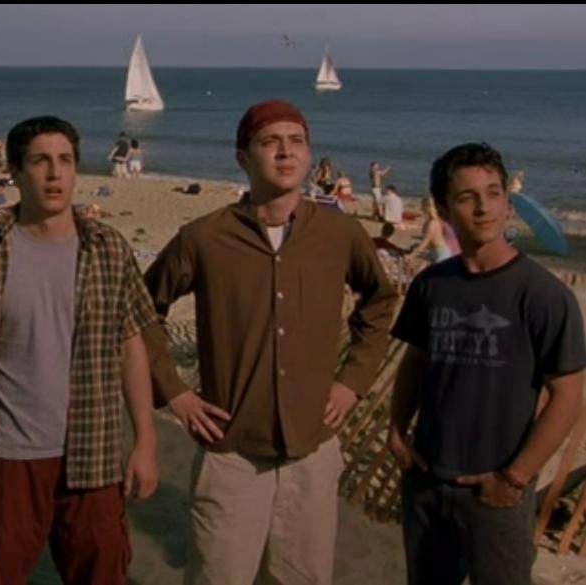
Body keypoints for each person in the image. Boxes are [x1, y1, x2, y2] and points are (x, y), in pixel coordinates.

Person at [142, 99, 397, 585]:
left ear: (310, 154)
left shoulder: (340, 232)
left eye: (296, 141)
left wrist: (352, 382)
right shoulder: (203, 238)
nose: (285, 152)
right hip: (231, 452)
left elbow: (380, 302)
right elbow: (139, 312)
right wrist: (174, 392)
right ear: (243, 157)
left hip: (313, 449)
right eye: (269, 142)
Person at [0, 115, 159, 584]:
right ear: (15, 172)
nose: (55, 174)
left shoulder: (109, 249)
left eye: (65, 161)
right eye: (40, 161)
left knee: (103, 572)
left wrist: (145, 442)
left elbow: (132, 347)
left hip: (94, 452)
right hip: (4, 456)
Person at [388, 142, 585, 585]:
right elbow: (415, 361)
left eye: (494, 193)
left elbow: (568, 396)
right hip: (427, 480)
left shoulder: (543, 295)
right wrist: (397, 431)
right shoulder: (432, 285)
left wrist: (514, 479)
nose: (484, 208)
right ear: (443, 209)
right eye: (467, 197)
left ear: (508, 202)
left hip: (495, 490)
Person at [409, 197, 455, 263]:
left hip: (441, 253)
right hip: (435, 252)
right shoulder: (430, 221)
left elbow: (426, 241)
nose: (421, 208)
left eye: (422, 205)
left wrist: (412, 255)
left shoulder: (433, 223)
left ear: (427, 207)